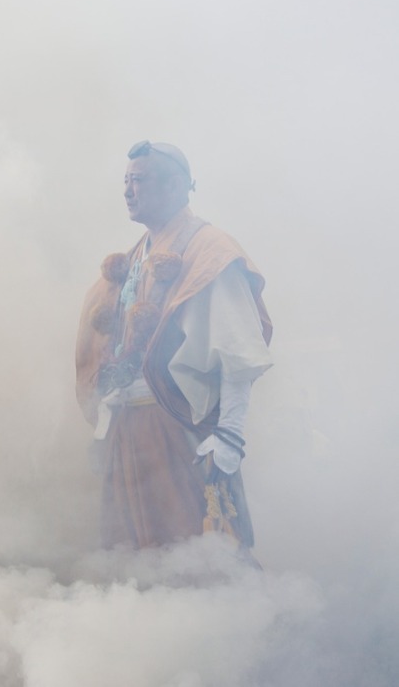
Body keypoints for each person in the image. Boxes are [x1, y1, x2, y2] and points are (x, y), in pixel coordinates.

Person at [76, 140, 272, 552]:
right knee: (133, 555)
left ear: (177, 186)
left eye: (139, 181)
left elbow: (238, 351)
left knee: (193, 553)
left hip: (176, 427)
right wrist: (105, 419)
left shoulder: (209, 249)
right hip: (127, 428)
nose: (128, 191)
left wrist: (231, 436)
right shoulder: (132, 258)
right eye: (126, 181)